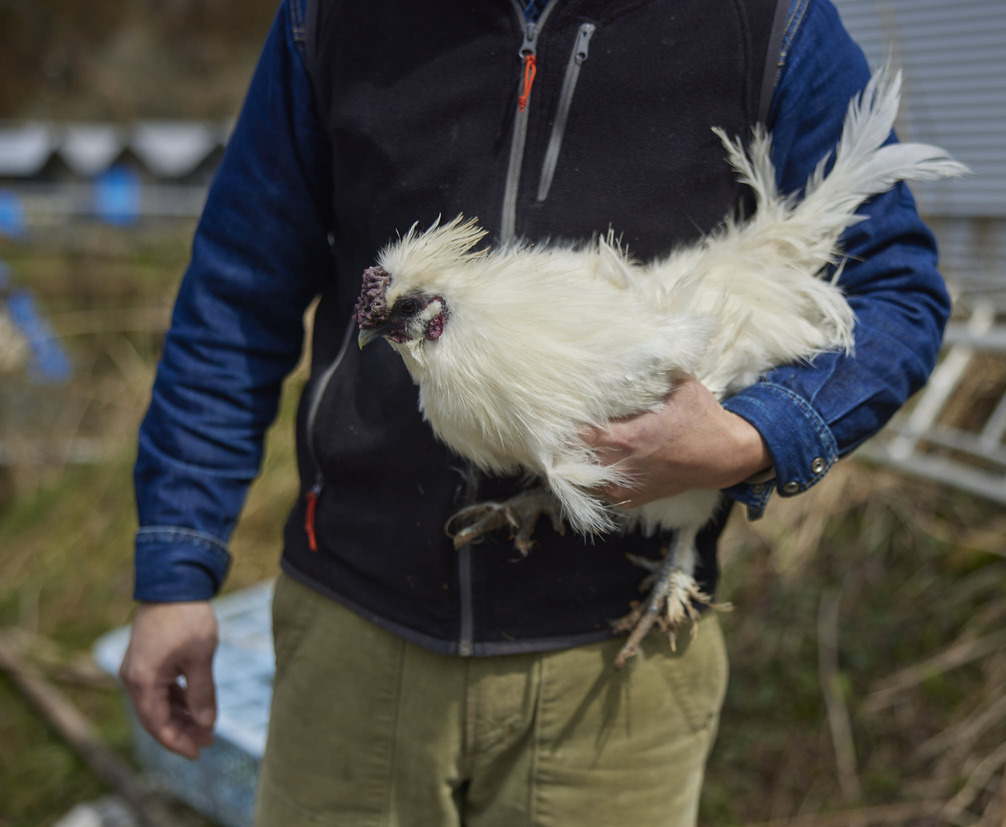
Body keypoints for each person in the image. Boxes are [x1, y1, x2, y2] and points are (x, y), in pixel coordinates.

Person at [119, 0, 951, 824]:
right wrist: (175, 568)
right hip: (354, 623)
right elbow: (235, 294)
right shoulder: (335, 16)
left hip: (616, 661)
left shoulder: (769, 19)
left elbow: (897, 291)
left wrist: (752, 434)